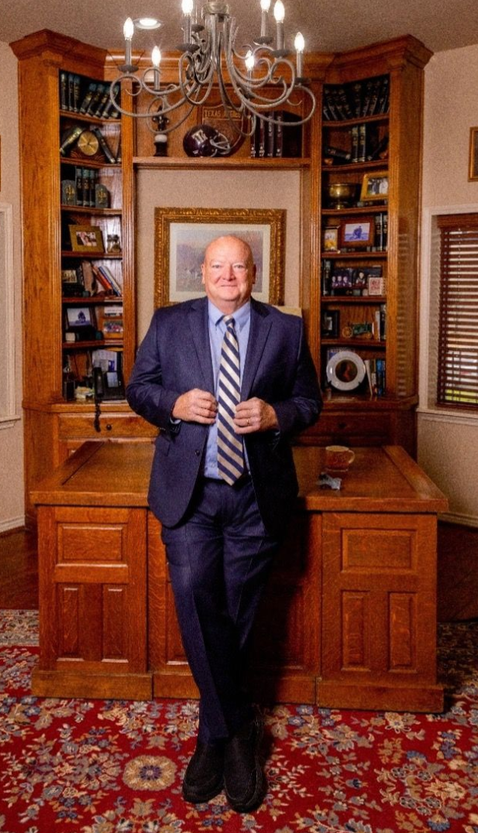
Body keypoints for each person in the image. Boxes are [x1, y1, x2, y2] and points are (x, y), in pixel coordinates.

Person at [126, 235, 322, 814]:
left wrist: (276, 414)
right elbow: (138, 388)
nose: (228, 275)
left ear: (253, 272)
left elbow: (310, 402)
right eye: (218, 266)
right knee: (194, 596)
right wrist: (173, 405)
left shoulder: (285, 330)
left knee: (238, 610)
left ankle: (212, 738)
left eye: (239, 266)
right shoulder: (168, 322)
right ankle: (238, 732)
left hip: (256, 496)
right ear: (202, 272)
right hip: (190, 493)